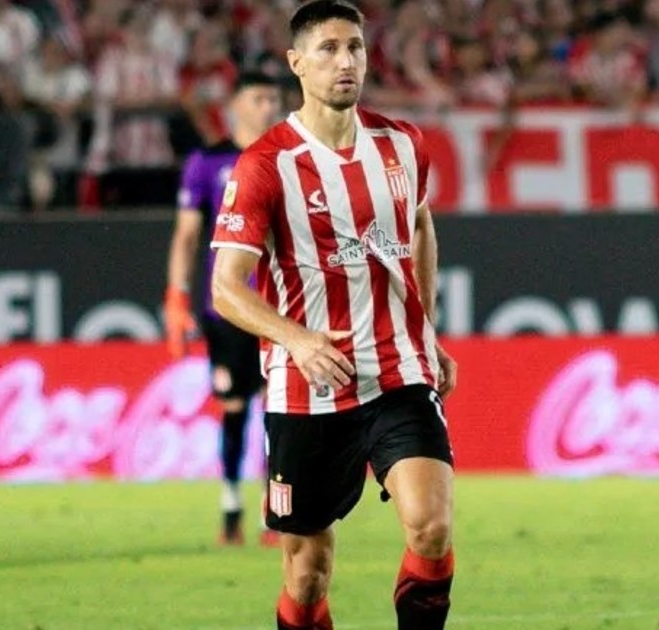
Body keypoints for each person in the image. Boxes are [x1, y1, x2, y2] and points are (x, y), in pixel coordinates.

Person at [209, 2, 458, 629]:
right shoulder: (265, 164)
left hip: (398, 372)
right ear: (297, 63)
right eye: (328, 49)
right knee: (307, 572)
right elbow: (225, 288)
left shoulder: (403, 144)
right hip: (309, 389)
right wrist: (296, 340)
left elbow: (420, 225)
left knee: (431, 527)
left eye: (355, 47)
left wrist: (424, 328)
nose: (346, 62)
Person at [164, 71, 283, 547]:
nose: (268, 106)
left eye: (273, 98)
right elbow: (187, 236)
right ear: (235, 105)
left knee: (280, 409)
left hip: (281, 306)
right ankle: (231, 505)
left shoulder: (290, 157)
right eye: (259, 98)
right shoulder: (208, 162)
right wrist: (177, 296)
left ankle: (276, 510)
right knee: (234, 406)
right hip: (230, 307)